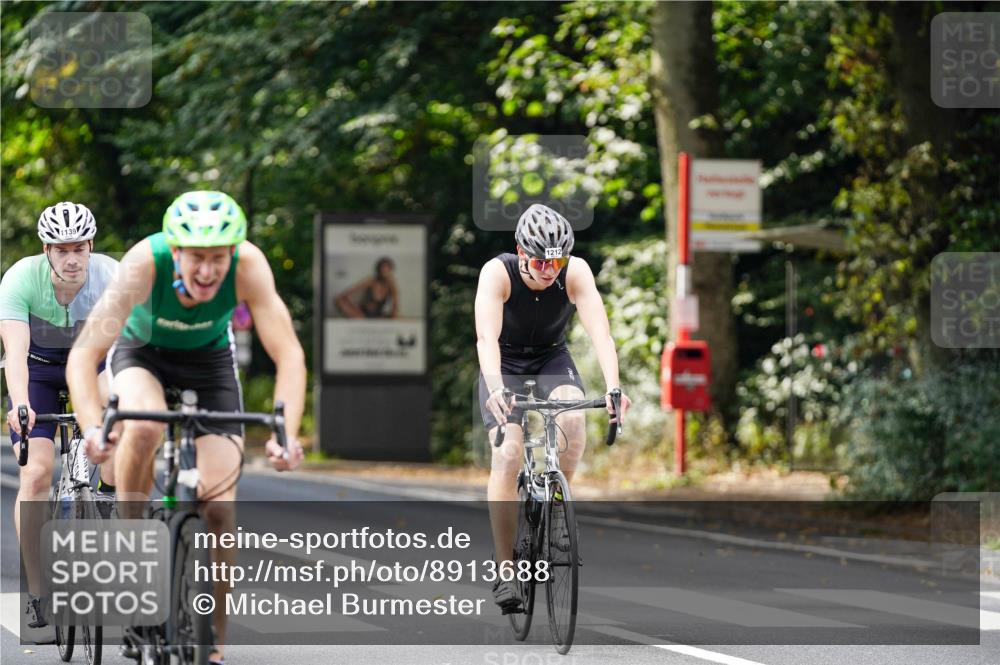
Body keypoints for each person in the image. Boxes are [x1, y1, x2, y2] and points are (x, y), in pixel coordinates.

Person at [66, 190, 306, 665]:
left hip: (209, 362)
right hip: (142, 351)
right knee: (144, 426)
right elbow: (85, 355)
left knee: (219, 506)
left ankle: (212, 644)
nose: (207, 270)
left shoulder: (250, 265)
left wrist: (286, 434)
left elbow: (290, 355)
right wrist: (94, 428)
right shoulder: (143, 264)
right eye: (196, 257)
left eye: (218, 258)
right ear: (175, 251)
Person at [474, 203, 632, 613]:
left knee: (573, 423)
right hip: (504, 363)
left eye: (556, 261)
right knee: (507, 455)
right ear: (521, 251)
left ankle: (558, 504)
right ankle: (506, 569)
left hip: (550, 358)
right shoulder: (498, 273)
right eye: (541, 260)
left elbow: (601, 333)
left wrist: (614, 387)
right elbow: (485, 340)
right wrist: (494, 387)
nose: (549, 269)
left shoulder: (575, 271)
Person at [0, 201, 119, 632]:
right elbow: (14, 354)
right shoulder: (19, 278)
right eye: (61, 249)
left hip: (93, 364)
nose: (72, 258)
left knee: (117, 426)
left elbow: (125, 351)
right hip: (38, 370)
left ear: (91, 246)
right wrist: (19, 405)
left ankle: (107, 490)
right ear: (46, 250)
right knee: (35, 474)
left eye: (80, 248)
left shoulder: (111, 276)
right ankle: (37, 588)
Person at [334, 256, 399, 318]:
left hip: (378, 316)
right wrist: (354, 308)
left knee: (396, 317)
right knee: (338, 299)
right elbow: (346, 294)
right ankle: (359, 319)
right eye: (383, 268)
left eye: (388, 269)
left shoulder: (392, 286)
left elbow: (395, 307)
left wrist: (393, 318)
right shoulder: (370, 281)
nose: (385, 271)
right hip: (361, 314)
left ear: (391, 270)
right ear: (378, 270)